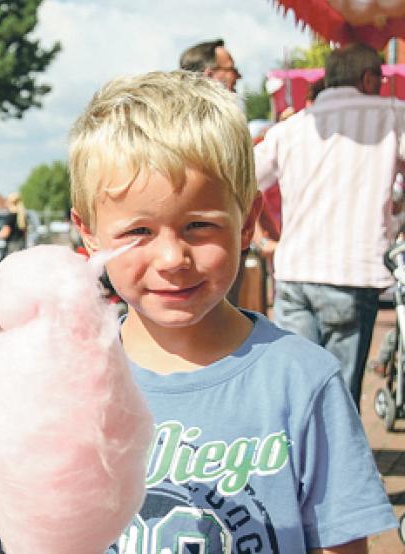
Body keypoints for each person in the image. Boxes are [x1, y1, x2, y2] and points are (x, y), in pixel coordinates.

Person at [69, 70, 396, 553]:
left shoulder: (304, 382)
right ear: (89, 234)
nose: (172, 260)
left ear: (246, 223)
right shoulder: (69, 380)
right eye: (138, 232)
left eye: (199, 225)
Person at [255, 43, 405, 411]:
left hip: (294, 274)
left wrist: (261, 237)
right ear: (368, 78)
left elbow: (245, 180)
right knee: (337, 399)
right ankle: (334, 465)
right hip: (352, 274)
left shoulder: (290, 128)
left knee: (294, 388)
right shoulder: (391, 114)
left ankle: (294, 463)